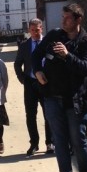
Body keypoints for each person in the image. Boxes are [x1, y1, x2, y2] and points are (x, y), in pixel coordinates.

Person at [32, 3, 87, 172]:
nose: (63, 21)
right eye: (63, 17)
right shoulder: (54, 36)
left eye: (68, 18)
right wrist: (38, 70)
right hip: (52, 97)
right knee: (59, 140)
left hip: (76, 101)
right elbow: (36, 54)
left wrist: (67, 56)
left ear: (78, 20)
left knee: (78, 140)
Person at [14, 18, 52, 156]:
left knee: (49, 113)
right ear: (29, 30)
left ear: (41, 28)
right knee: (31, 115)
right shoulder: (24, 46)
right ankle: (34, 143)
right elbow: (17, 64)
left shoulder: (48, 44)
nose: (35, 33)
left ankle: (50, 143)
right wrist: (22, 79)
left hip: (46, 83)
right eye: (32, 30)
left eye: (37, 30)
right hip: (30, 83)